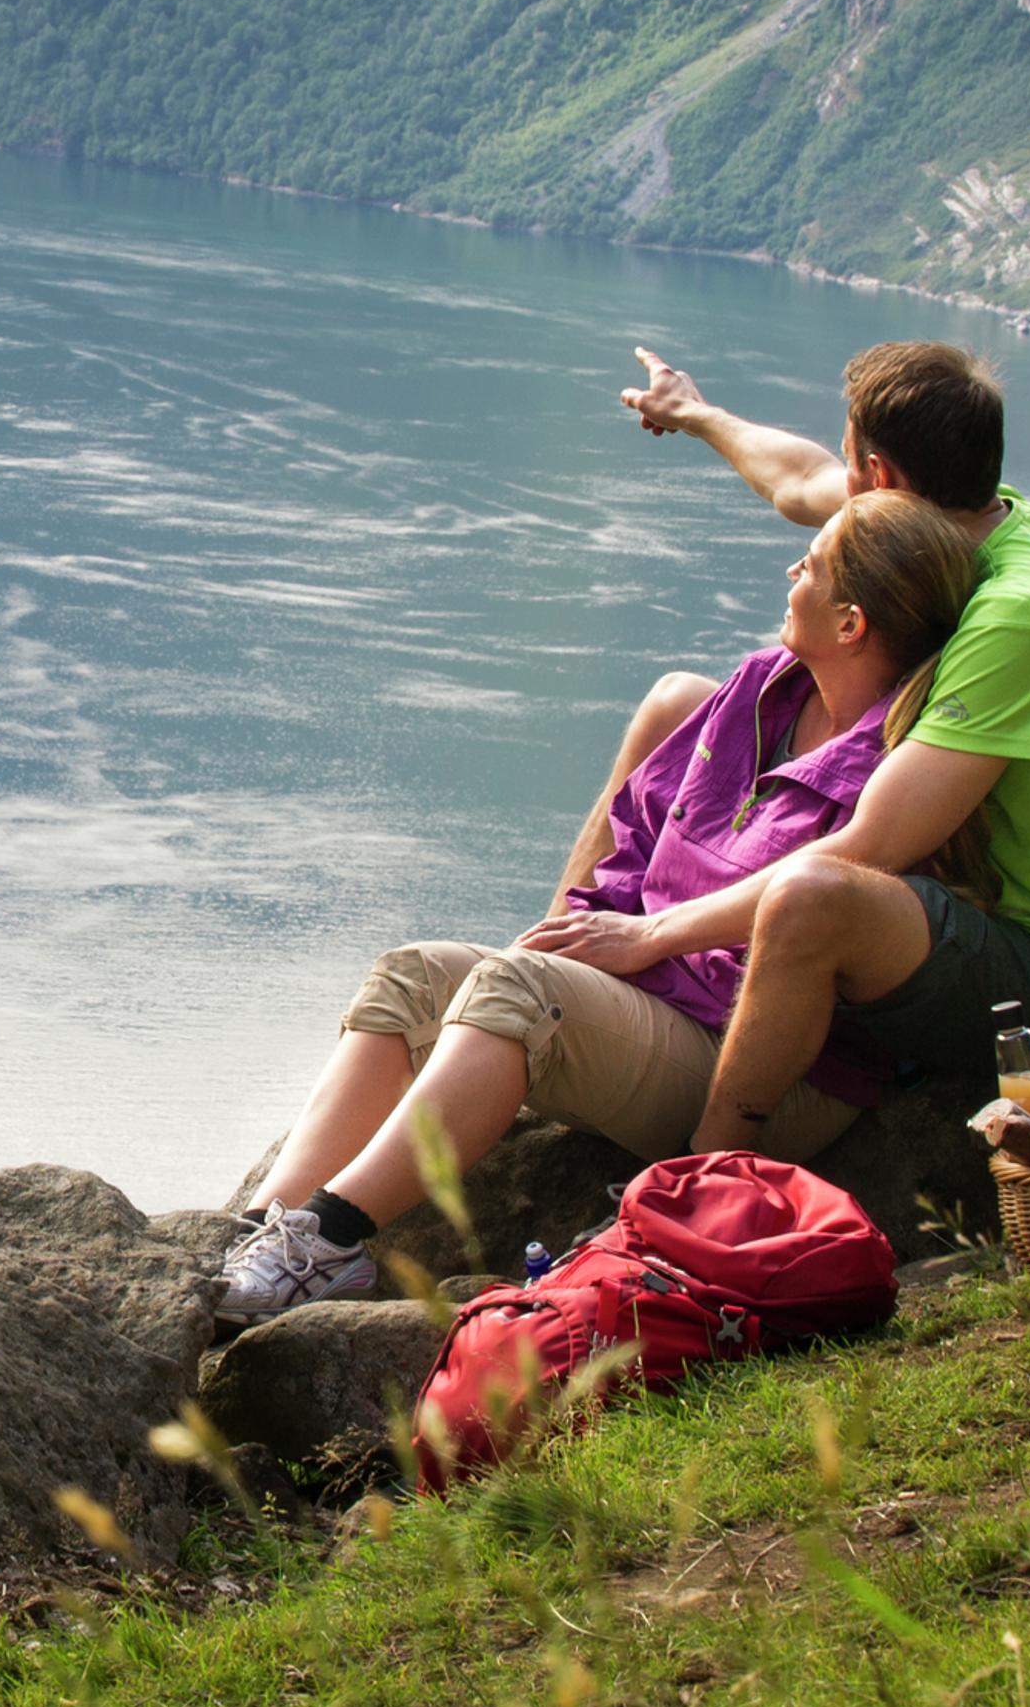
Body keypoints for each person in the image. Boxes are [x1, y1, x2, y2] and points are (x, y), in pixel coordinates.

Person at [218, 491, 986, 1324]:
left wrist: (580, 970)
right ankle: (264, 1228)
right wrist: (577, 939)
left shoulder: (894, 774)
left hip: (757, 1060)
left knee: (521, 993)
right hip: (651, 1005)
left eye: (815, 566)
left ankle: (329, 1240)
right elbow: (641, 838)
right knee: (415, 973)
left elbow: (813, 943)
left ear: (852, 625)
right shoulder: (759, 692)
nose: (790, 570)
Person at [589, 339, 1030, 1158]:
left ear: (883, 476)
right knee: (680, 705)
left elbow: (870, 848)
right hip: (982, 908)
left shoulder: (1020, 612)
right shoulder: (966, 518)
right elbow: (797, 481)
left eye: (850, 460)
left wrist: (654, 937)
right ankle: (563, 950)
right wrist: (693, 413)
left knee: (814, 891)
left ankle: (710, 1168)